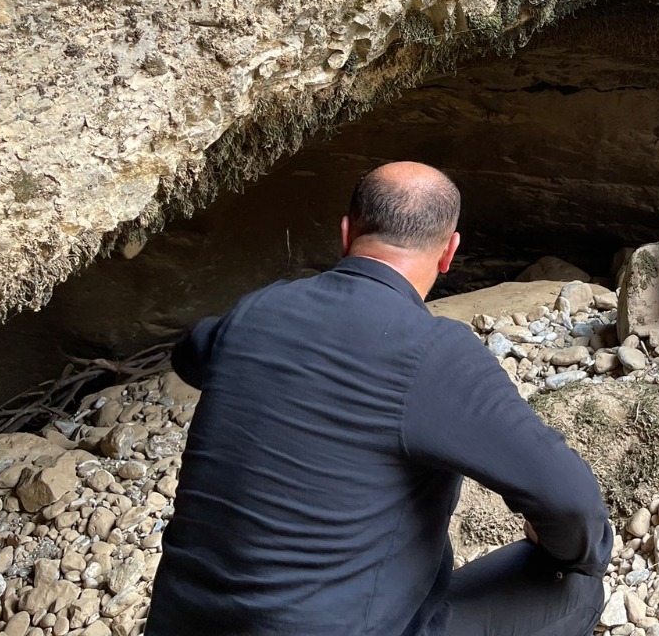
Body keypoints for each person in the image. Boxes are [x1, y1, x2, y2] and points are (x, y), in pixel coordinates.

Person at [146, 162, 611, 636]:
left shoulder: (255, 312)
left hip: (177, 623)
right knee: (575, 589)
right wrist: (578, 552)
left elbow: (190, 353)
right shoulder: (432, 351)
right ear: (449, 252)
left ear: (346, 233)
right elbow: (569, 501)